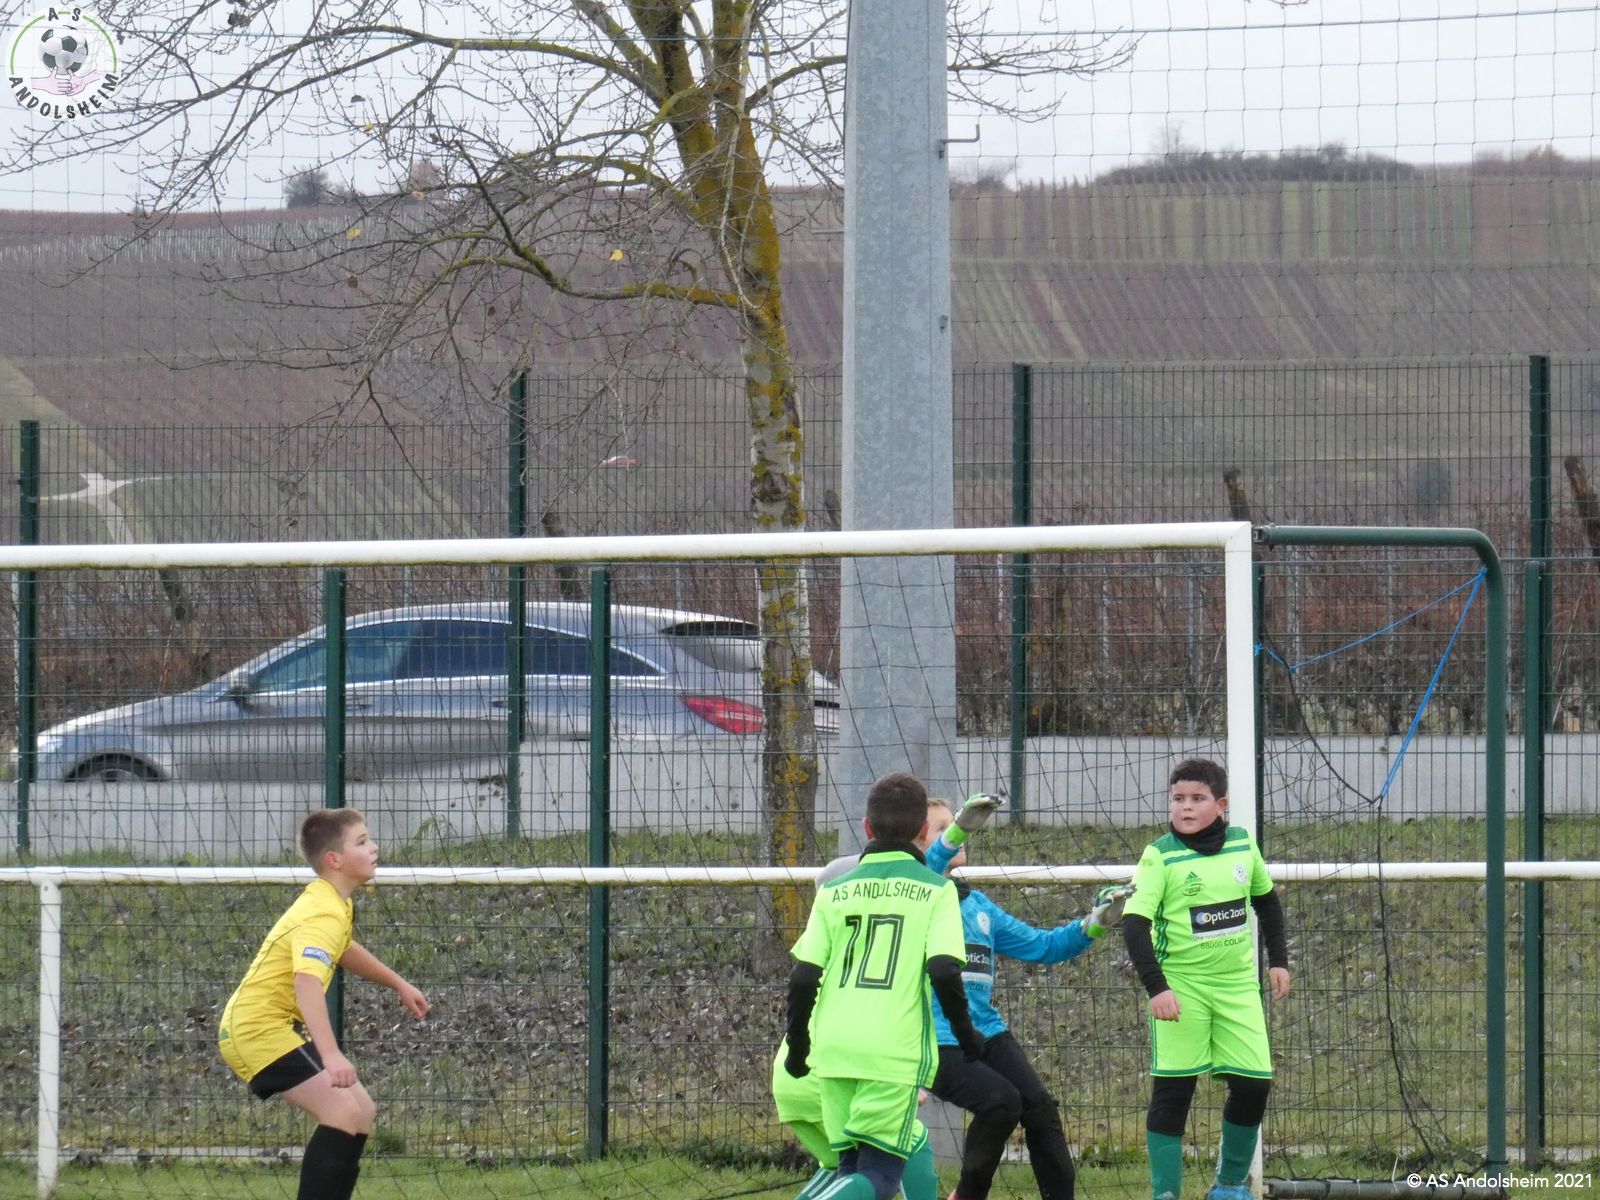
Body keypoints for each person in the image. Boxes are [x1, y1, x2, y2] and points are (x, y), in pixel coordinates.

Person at [782, 772, 987, 1200]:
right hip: (889, 1055)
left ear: (866, 828)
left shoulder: (834, 891)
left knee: (851, 1169)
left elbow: (803, 977)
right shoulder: (937, 892)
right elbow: (944, 971)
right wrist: (967, 1036)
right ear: (924, 831)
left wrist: (799, 1046)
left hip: (832, 1051)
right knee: (880, 1178)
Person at [919, 795, 1131, 1200]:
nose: (956, 833)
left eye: (954, 824)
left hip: (986, 1033)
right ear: (918, 841)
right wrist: (960, 828)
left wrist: (1096, 922)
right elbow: (926, 871)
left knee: (1040, 1108)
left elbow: (1044, 946)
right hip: (939, 1039)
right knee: (1001, 1103)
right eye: (941, 828)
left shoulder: (979, 907)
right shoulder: (919, 897)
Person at [218, 808, 429, 1200]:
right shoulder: (322, 912)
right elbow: (307, 983)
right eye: (362, 842)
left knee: (360, 1110)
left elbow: (342, 948)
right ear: (335, 859)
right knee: (342, 1112)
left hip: (267, 1027)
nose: (374, 848)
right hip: (256, 1031)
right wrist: (330, 1054)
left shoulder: (333, 903)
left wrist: (397, 983)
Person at [1122, 758, 1291, 1200]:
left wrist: (1279, 960)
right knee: (1174, 1090)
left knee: (1254, 1083)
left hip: (1237, 986)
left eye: (1197, 799)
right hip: (1182, 987)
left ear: (1221, 805)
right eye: (1178, 798)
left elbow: (1266, 902)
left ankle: (1229, 1187)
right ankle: (1166, 1194)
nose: (1185, 807)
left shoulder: (1242, 845)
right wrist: (1158, 988)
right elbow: (1134, 924)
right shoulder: (1159, 856)